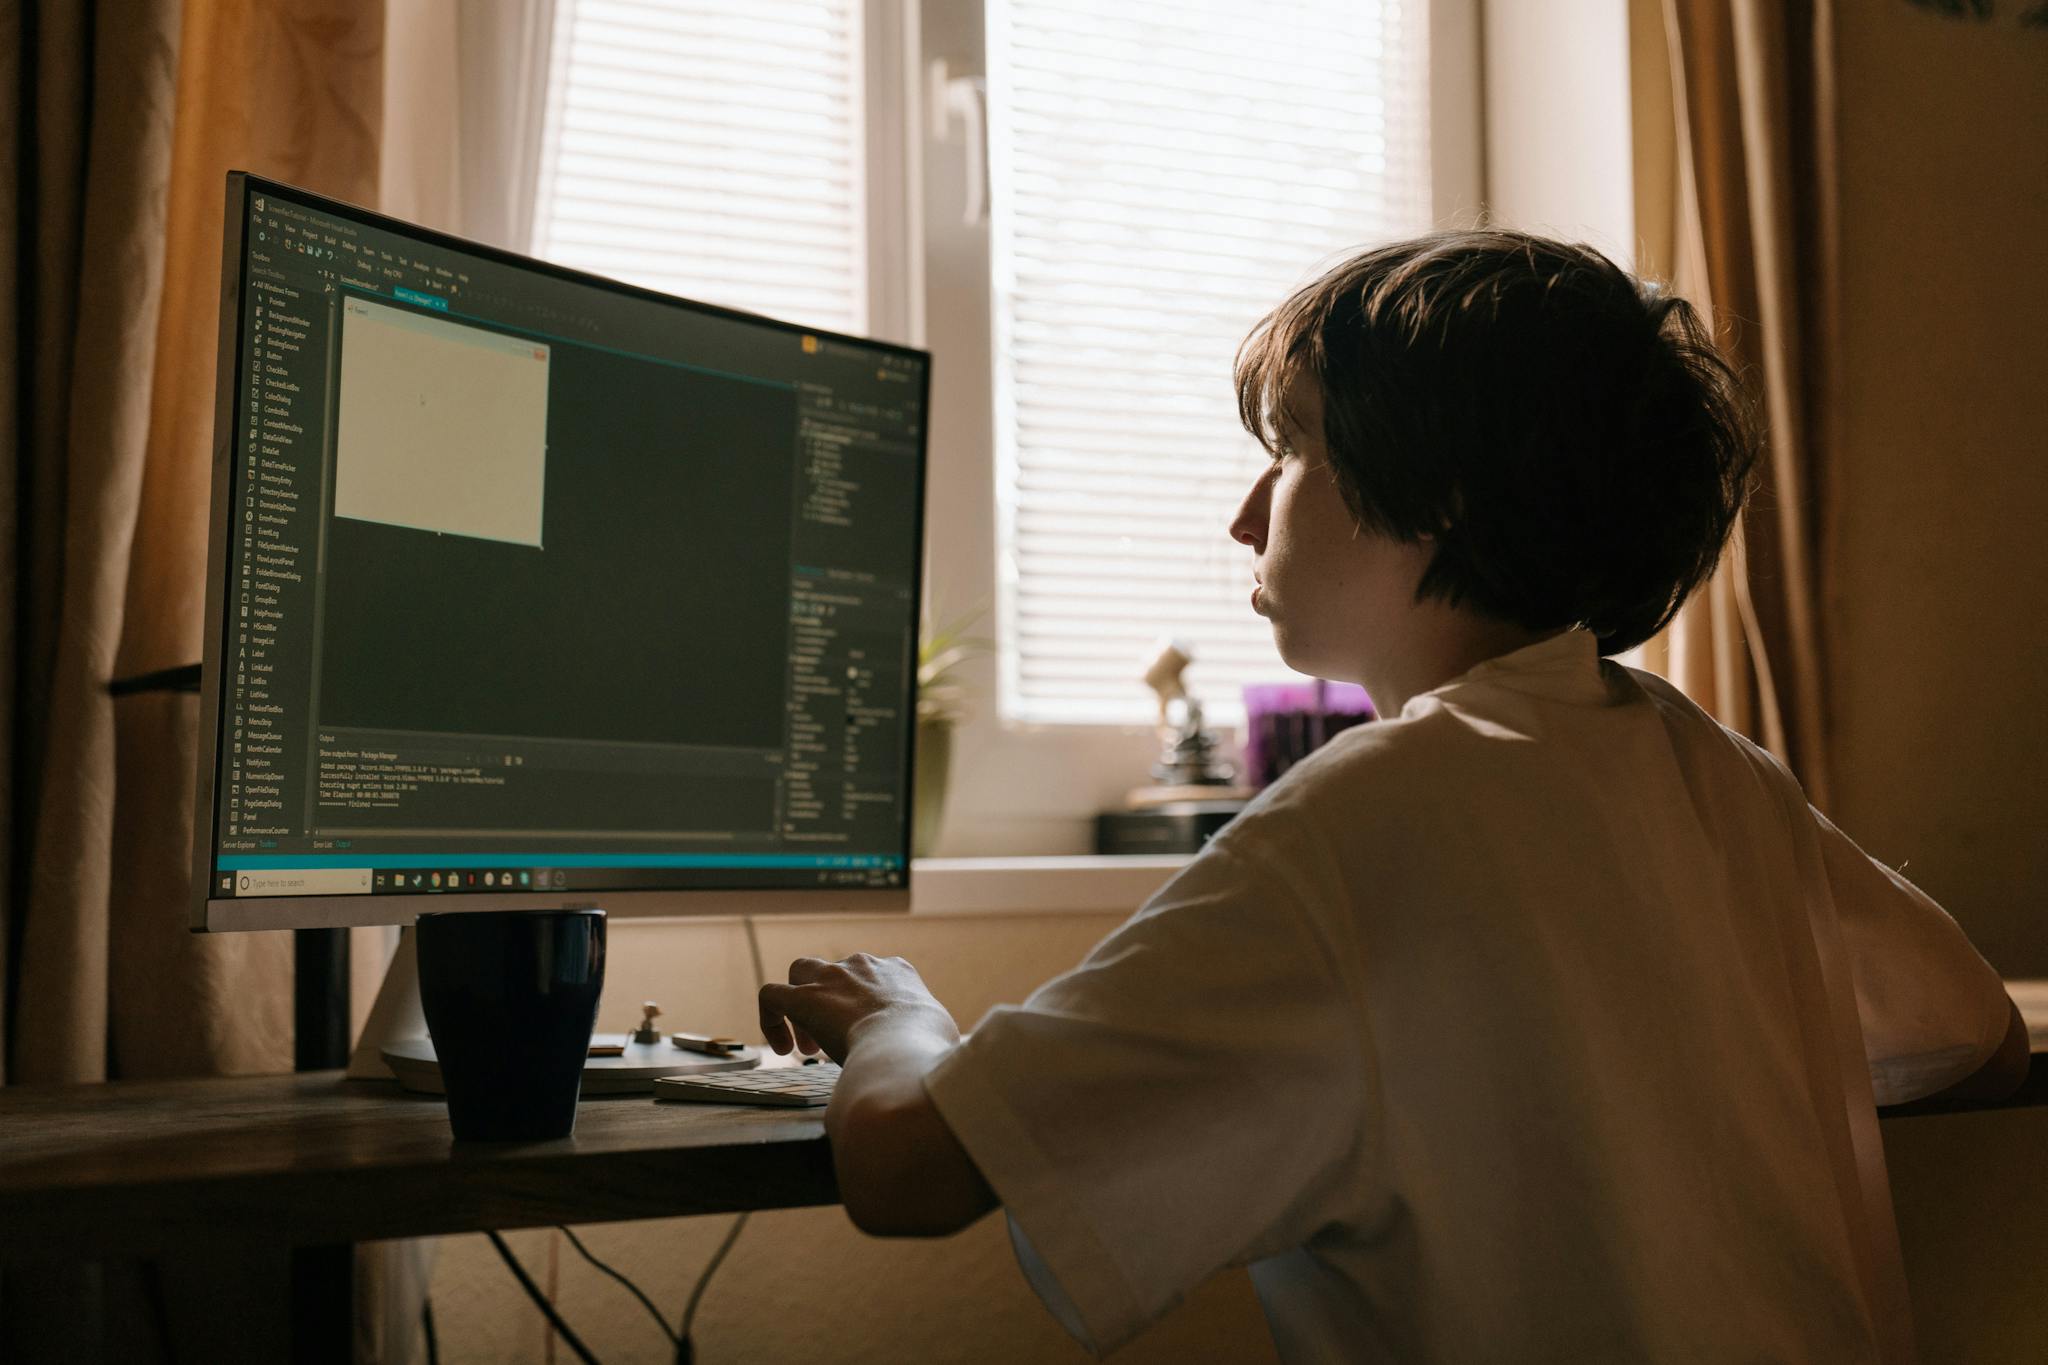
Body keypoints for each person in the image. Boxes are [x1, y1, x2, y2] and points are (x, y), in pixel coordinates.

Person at [758, 230, 2028, 1363]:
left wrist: (894, 1014)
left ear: (1444, 493)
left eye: (1292, 446)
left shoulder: (1366, 819)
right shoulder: (1711, 767)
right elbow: (1978, 1036)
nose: (1246, 516)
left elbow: (914, 1170)